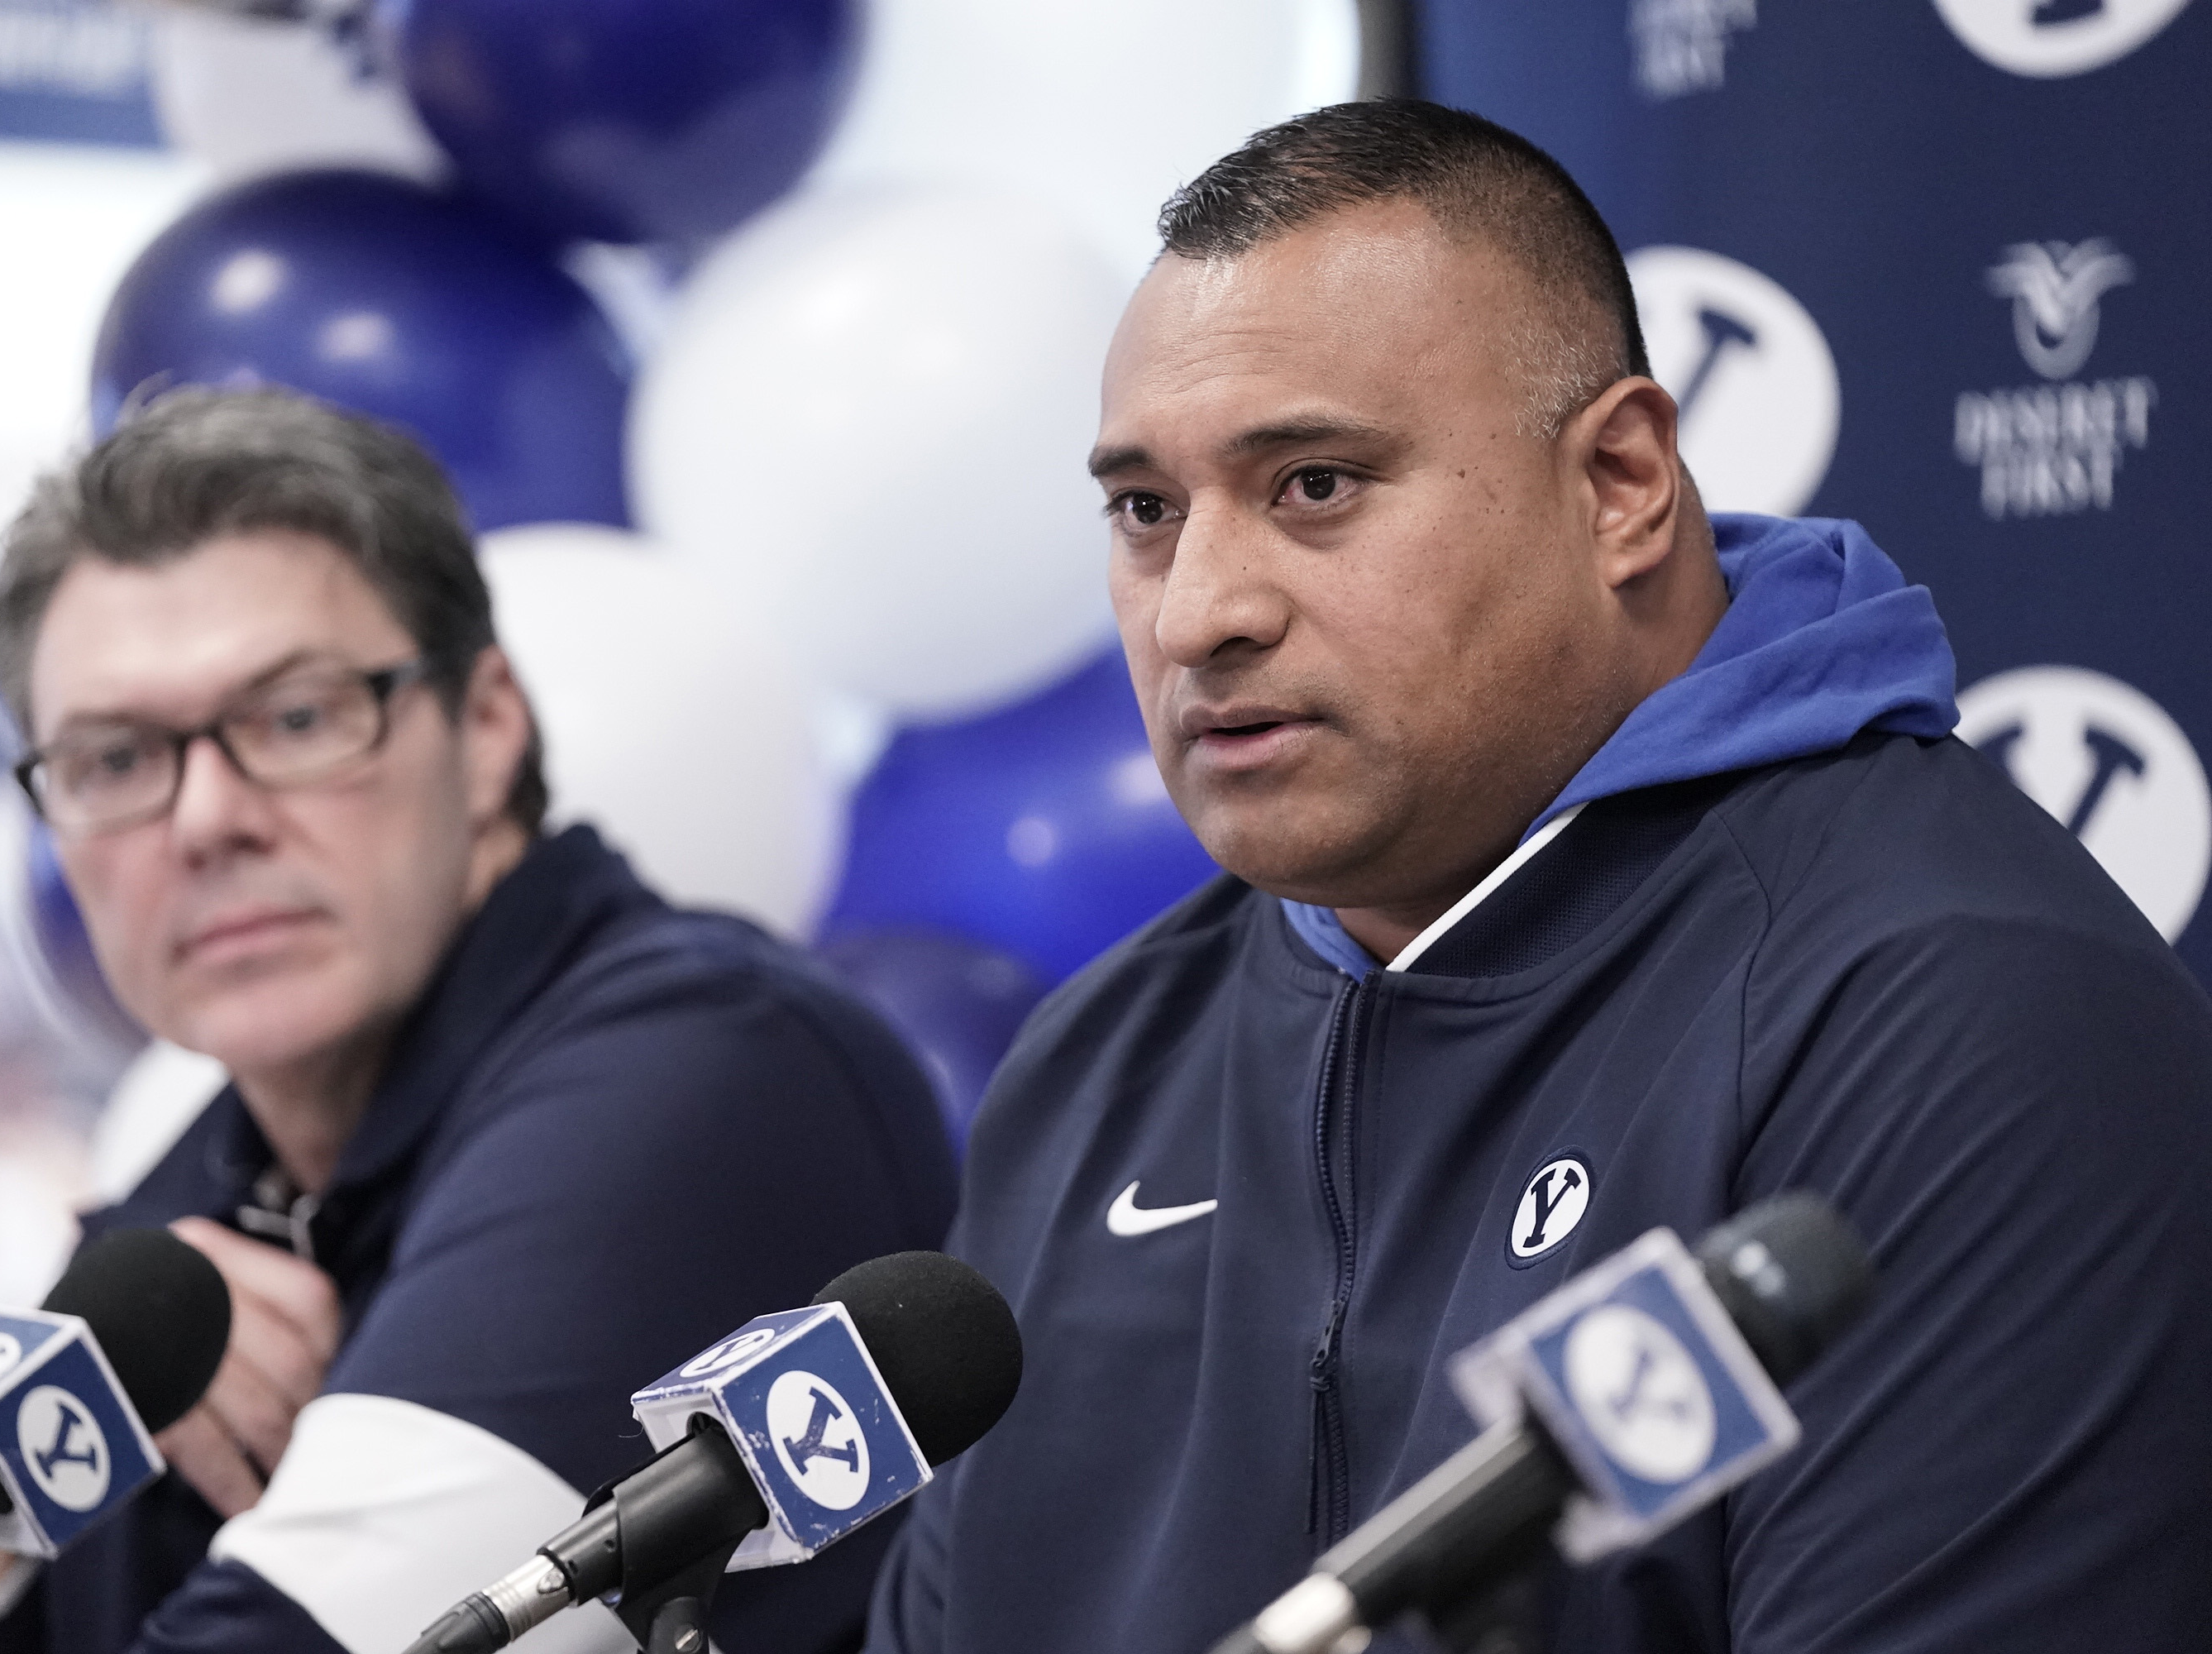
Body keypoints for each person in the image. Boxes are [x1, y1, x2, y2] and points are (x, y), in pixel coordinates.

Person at [866, 99, 2212, 1653]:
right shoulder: (1094, 1063)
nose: (1198, 616)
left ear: (1624, 482)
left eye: (1314, 484)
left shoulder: (1961, 1015)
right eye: (1147, 512)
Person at [0, 388, 958, 1654]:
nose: (203, 819)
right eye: (115, 760)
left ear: (488, 724)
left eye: (297, 718)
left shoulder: (713, 1075)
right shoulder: (174, 1229)